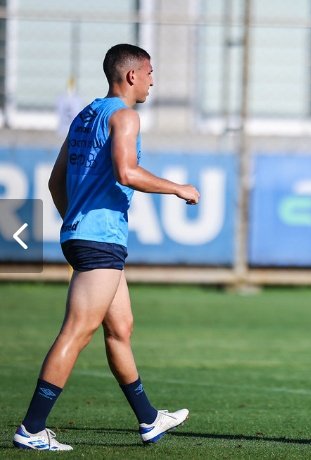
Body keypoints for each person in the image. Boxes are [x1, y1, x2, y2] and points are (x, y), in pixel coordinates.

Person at [12, 43, 200, 451]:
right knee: (77, 331)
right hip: (98, 239)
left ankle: (149, 420)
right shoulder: (125, 116)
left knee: (120, 329)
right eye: (150, 72)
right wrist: (178, 188)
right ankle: (31, 428)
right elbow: (126, 171)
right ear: (131, 76)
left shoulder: (85, 115)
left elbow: (54, 181)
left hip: (89, 235)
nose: (153, 80)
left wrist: (74, 219)